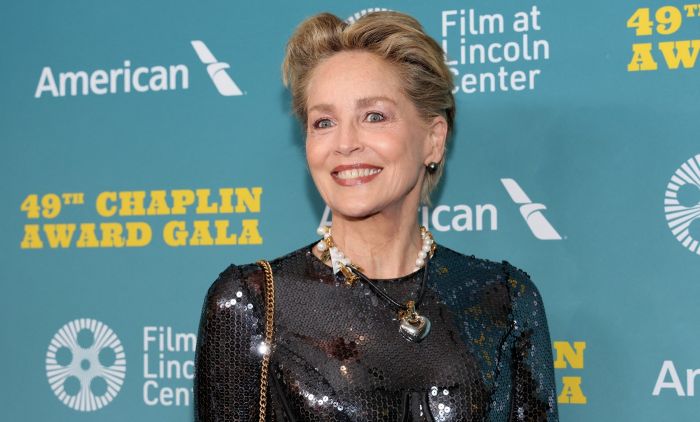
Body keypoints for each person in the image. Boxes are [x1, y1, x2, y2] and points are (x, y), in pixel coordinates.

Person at [194, 10, 559, 421]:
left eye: (374, 116)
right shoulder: (253, 303)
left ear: (433, 140)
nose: (345, 143)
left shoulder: (505, 298)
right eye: (324, 122)